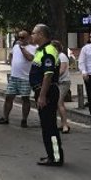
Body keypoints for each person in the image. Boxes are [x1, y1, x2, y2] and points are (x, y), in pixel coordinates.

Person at [29, 24, 64, 166]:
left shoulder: (48, 51)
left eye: (34, 33)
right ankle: (51, 155)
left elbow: (48, 76)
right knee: (46, 126)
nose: (32, 35)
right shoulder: (41, 50)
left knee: (50, 127)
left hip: (47, 91)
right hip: (42, 90)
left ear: (41, 35)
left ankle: (55, 157)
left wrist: (42, 96)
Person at [0, 30, 36, 127]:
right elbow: (11, 54)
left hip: (25, 77)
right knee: (8, 97)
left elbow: (30, 58)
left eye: (23, 37)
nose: (20, 39)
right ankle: (5, 117)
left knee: (25, 98)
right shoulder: (16, 46)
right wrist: (10, 61)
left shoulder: (33, 48)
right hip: (14, 76)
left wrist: (22, 48)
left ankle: (24, 120)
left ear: (28, 38)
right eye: (19, 37)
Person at [52, 40, 71, 133]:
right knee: (60, 103)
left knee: (59, 103)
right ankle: (64, 123)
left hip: (64, 82)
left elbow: (62, 70)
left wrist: (52, 77)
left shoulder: (62, 56)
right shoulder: (55, 57)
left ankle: (65, 125)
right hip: (58, 82)